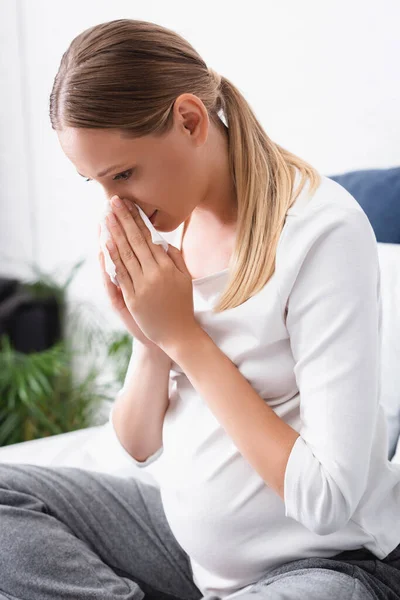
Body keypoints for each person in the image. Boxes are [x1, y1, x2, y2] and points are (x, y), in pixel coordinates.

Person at [1, 17, 400, 600]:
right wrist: (150, 339)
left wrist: (185, 338)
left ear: (189, 120)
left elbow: (327, 500)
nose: (117, 204)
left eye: (124, 174)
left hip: (329, 563)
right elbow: (137, 444)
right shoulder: (169, 226)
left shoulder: (322, 232)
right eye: (98, 183)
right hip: (189, 556)